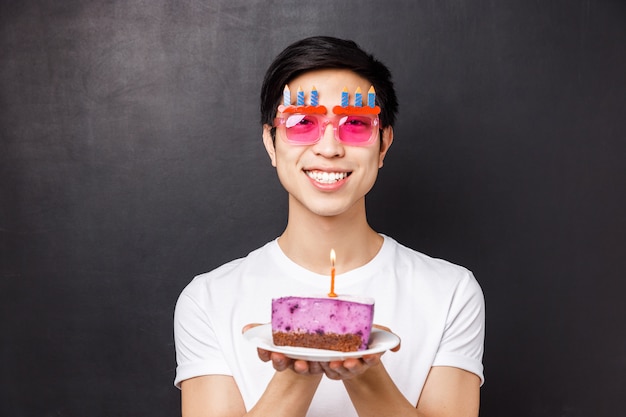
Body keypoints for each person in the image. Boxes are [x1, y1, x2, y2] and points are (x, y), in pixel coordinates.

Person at [174, 36, 485, 417]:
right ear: (271, 144)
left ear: (384, 145)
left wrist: (363, 370)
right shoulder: (207, 300)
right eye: (302, 122)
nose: (330, 147)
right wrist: (299, 366)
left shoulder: (451, 293)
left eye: (356, 124)